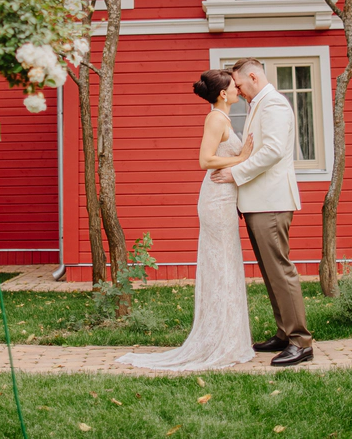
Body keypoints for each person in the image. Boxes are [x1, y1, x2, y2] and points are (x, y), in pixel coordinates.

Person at [116, 69, 256, 371]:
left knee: (227, 266)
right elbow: (205, 160)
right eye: (233, 86)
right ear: (223, 93)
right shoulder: (215, 119)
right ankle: (218, 340)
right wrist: (242, 159)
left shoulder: (224, 118)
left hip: (225, 199)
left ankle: (229, 338)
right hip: (216, 201)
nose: (238, 88)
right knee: (221, 266)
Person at [211, 57, 313, 366]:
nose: (238, 91)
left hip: (271, 202)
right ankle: (284, 333)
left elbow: (272, 151)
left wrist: (235, 173)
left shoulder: (274, 105)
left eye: (240, 84)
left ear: (254, 77)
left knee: (280, 271)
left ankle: (300, 342)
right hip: (258, 203)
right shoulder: (259, 104)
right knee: (271, 273)